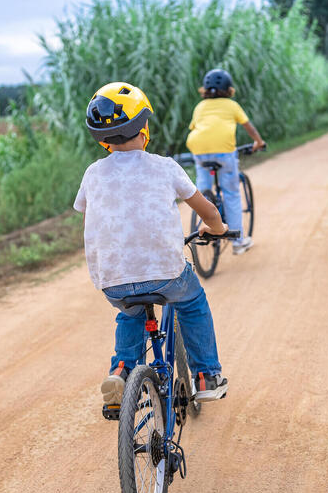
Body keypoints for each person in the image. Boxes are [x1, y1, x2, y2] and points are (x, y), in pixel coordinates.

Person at [73, 81, 230, 410]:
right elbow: (209, 211)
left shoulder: (92, 173)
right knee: (192, 302)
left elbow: (91, 214)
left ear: (102, 140)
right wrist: (216, 228)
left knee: (130, 312)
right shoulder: (165, 166)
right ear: (144, 127)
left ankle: (122, 370)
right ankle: (205, 376)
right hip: (165, 274)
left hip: (112, 279)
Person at [186, 68, 266, 255]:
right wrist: (259, 143)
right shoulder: (231, 105)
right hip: (223, 151)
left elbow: (195, 127)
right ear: (229, 89)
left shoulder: (200, 106)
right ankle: (238, 242)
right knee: (231, 193)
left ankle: (206, 221)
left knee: (203, 189)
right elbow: (250, 128)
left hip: (199, 149)